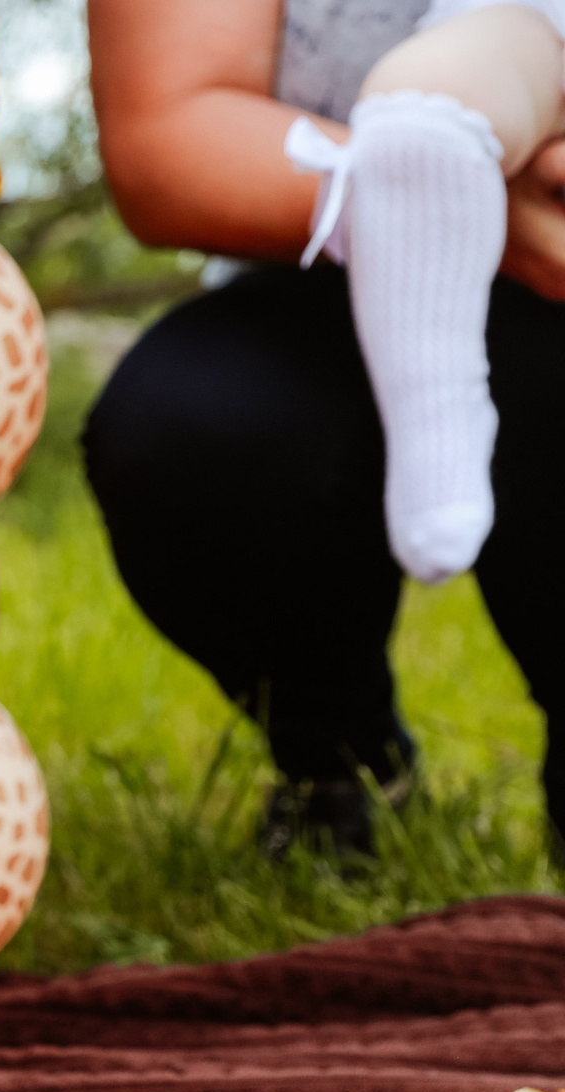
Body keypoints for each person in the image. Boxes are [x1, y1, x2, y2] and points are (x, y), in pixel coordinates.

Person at [85, 0, 565, 855]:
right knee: (203, 426)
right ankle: (342, 763)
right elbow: (169, 137)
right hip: (322, 268)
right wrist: (451, 208)